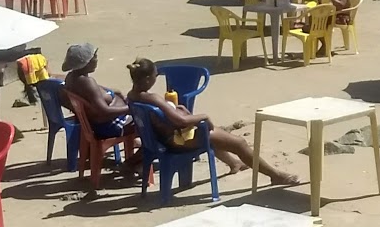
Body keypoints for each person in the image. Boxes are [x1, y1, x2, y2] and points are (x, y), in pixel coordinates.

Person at [124, 58, 298, 185]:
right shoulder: (152, 98)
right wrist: (203, 116)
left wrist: (178, 111)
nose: (156, 78)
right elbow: (181, 120)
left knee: (217, 135)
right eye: (155, 75)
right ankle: (274, 175)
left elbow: (168, 117)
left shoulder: (132, 97)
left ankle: (234, 163)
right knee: (238, 142)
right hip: (176, 142)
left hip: (159, 140)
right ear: (147, 79)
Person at [62, 42, 133, 153]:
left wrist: (115, 94)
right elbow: (104, 111)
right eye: (94, 57)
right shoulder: (87, 82)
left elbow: (96, 93)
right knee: (148, 124)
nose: (96, 59)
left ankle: (134, 148)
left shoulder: (72, 78)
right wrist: (130, 108)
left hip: (94, 124)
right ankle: (135, 162)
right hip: (109, 126)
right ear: (85, 63)